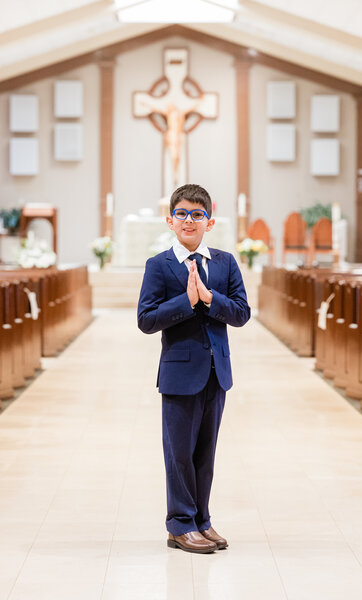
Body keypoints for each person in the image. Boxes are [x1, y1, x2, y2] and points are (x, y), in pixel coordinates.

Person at [137, 184, 251, 554]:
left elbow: (241, 313)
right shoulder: (159, 265)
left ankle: (202, 519)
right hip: (179, 373)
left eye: (197, 214)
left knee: (205, 453)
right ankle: (180, 524)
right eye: (182, 213)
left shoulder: (224, 262)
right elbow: (146, 319)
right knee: (179, 453)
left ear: (210, 221)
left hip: (217, 372)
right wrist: (185, 301)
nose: (190, 220)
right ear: (170, 221)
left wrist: (210, 298)